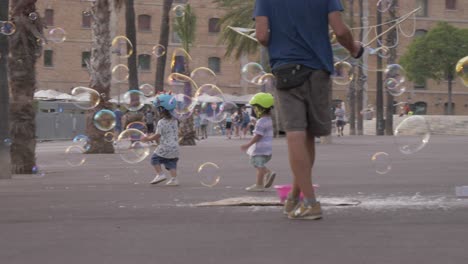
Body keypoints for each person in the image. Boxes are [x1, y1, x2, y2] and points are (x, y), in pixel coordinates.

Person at [254, 0, 363, 220]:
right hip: (318, 69)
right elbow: (340, 30)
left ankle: (311, 203)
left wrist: (285, 40)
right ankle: (295, 196)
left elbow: (262, 36)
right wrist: (354, 48)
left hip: (286, 68)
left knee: (295, 134)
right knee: (309, 136)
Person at [141, 94, 180, 186]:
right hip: (175, 147)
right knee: (171, 163)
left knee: (154, 159)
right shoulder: (175, 120)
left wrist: (147, 139)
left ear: (161, 110)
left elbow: (157, 135)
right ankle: (174, 179)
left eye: (158, 109)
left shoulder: (161, 122)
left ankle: (160, 174)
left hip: (165, 146)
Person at [240, 93, 276, 192]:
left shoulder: (261, 121)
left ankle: (265, 176)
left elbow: (258, 136)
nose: (254, 110)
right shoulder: (268, 120)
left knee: (259, 166)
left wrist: (248, 144)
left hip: (260, 149)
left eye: (255, 107)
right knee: (258, 166)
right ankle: (262, 181)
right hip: (267, 149)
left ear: (261, 108)